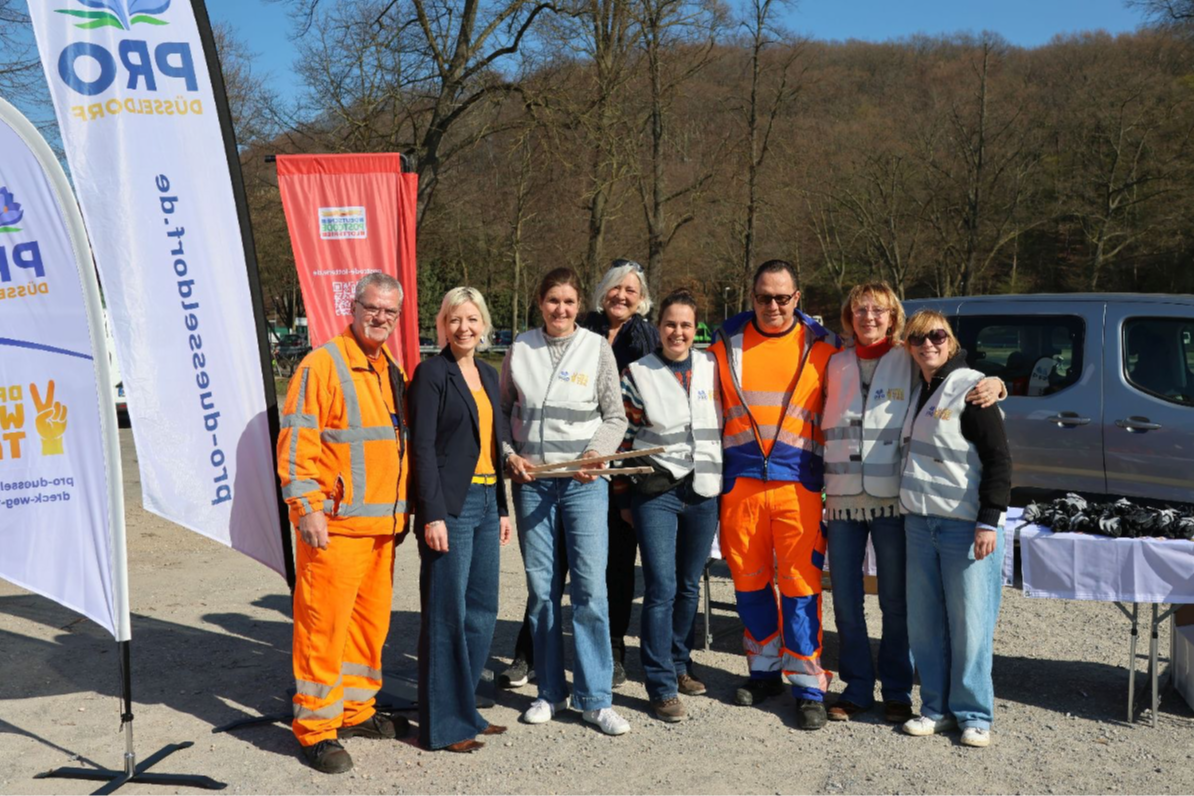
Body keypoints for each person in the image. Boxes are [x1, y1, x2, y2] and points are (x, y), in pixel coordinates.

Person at [822, 282, 1004, 724]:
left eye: (878, 310)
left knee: (897, 604)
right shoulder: (832, 361)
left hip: (892, 503)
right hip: (843, 501)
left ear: (892, 317)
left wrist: (995, 383)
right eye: (860, 309)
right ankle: (858, 687)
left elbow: (953, 370)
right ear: (849, 317)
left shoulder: (907, 356)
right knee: (845, 601)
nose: (869, 317)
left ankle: (899, 691)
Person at [499, 258, 658, 690]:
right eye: (553, 300)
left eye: (568, 301)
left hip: (588, 483)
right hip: (535, 484)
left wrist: (597, 454)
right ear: (540, 302)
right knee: (543, 588)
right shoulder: (520, 348)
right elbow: (503, 410)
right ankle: (547, 688)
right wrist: (510, 452)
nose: (561, 309)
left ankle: (597, 690)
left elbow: (616, 416)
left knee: (593, 587)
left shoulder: (606, 346)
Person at [278, 272, 411, 774]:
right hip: (333, 528)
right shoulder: (323, 365)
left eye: (389, 312)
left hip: (380, 530)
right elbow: (296, 445)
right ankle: (315, 728)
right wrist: (306, 509)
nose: (380, 318)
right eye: (372, 308)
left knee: (366, 630)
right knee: (322, 630)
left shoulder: (388, 366)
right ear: (352, 308)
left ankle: (355, 711)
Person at [708, 259, 839, 731]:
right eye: (764, 297)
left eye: (783, 297)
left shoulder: (824, 347)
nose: (774, 306)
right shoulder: (723, 343)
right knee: (748, 582)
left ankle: (808, 685)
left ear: (797, 297)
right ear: (752, 296)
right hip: (740, 483)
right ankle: (763, 672)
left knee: (800, 586)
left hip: (798, 485)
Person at [898, 310, 1011, 749]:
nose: (928, 344)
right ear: (908, 346)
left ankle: (975, 715)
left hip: (965, 527)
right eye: (918, 338)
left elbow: (1000, 460)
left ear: (952, 340)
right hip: (919, 524)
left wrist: (989, 520)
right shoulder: (917, 387)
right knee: (925, 625)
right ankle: (935, 709)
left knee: (971, 625)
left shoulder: (972, 387)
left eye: (937, 336)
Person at [410, 287, 513, 754]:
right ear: (442, 325)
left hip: (489, 502)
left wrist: (505, 509)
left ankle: (466, 708)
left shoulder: (489, 374)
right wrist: (432, 515)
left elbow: (495, 444)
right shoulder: (431, 374)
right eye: (455, 320)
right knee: (446, 615)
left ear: (484, 324)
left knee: (481, 612)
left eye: (472, 319)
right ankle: (444, 724)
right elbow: (423, 450)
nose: (464, 328)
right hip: (451, 506)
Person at [618, 289, 721, 722]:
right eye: (670, 324)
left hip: (703, 488)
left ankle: (680, 664)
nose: (678, 332)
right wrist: (623, 493)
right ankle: (659, 683)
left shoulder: (711, 367)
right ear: (658, 327)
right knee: (659, 587)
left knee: (688, 584)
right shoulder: (638, 373)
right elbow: (623, 437)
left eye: (686, 325)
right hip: (656, 489)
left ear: (695, 328)